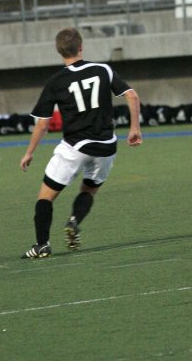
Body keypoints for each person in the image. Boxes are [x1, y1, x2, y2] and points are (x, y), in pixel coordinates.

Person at [20, 28, 142, 258]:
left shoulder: (55, 82)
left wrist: (29, 152)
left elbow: (42, 125)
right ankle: (74, 220)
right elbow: (132, 95)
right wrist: (134, 128)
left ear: (59, 51)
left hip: (75, 147)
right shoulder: (102, 69)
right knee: (89, 189)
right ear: (81, 47)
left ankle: (42, 245)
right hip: (106, 145)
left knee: (45, 197)